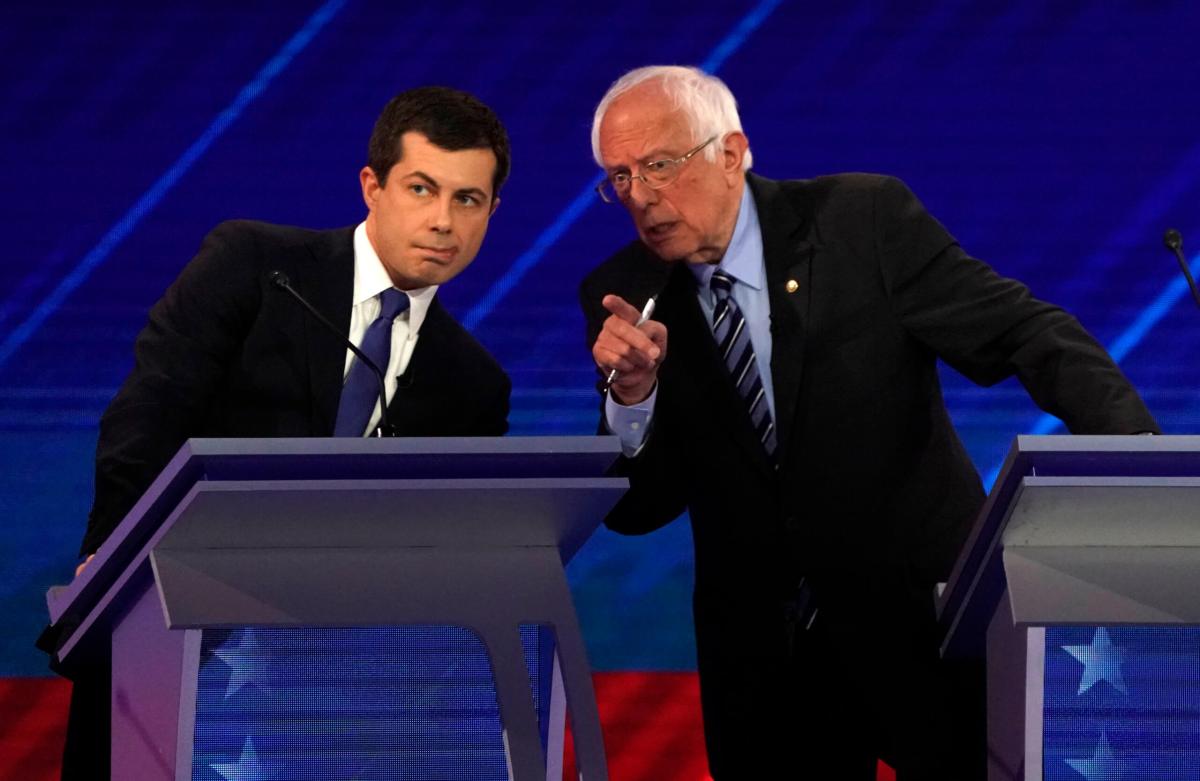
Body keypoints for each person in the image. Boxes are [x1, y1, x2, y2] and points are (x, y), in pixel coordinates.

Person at [579, 65, 1159, 779]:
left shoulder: (860, 220)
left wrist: (1141, 467)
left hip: (923, 628)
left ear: (730, 152)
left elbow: (1026, 335)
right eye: (620, 178)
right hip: (767, 669)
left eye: (660, 165)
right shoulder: (626, 297)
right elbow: (640, 507)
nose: (641, 196)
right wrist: (633, 396)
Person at [46, 85, 513, 780]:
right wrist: (118, 573)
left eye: (467, 200)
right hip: (173, 635)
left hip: (334, 696)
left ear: (491, 213)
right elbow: (147, 417)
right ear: (371, 186)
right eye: (421, 188)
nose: (442, 220)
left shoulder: (474, 383)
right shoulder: (256, 268)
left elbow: (448, 553)